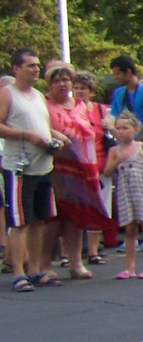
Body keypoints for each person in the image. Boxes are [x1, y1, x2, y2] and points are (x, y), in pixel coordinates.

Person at [0, 49, 71, 291]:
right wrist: (27, 135)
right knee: (20, 222)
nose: (35, 69)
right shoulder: (7, 95)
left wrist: (57, 136)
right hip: (20, 168)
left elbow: (45, 126)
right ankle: (19, 272)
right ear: (16, 68)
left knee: (40, 220)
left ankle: (36, 269)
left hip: (43, 166)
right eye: (30, 65)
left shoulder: (39, 96)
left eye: (37, 65)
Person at [43, 60, 118, 278]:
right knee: (52, 217)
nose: (62, 84)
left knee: (75, 215)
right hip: (56, 168)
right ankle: (45, 264)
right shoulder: (44, 104)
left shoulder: (80, 106)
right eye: (56, 80)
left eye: (66, 79)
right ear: (48, 83)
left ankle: (76, 263)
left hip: (82, 168)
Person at [105, 111, 143, 279]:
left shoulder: (141, 147)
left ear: (136, 129)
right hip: (125, 192)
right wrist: (117, 161)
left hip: (142, 190)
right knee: (130, 229)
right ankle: (129, 267)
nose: (121, 131)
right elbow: (107, 172)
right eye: (118, 128)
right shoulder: (114, 151)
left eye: (125, 128)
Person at [71, 70, 115, 262]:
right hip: (79, 166)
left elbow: (116, 133)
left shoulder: (101, 110)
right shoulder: (70, 109)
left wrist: (110, 126)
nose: (79, 91)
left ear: (91, 91)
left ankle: (93, 251)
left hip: (102, 165)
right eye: (77, 88)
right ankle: (69, 254)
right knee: (77, 209)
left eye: (83, 88)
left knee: (100, 208)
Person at [108, 55, 143, 128]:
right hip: (123, 138)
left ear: (128, 72)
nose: (115, 78)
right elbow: (115, 117)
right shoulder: (118, 93)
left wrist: (138, 139)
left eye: (117, 74)